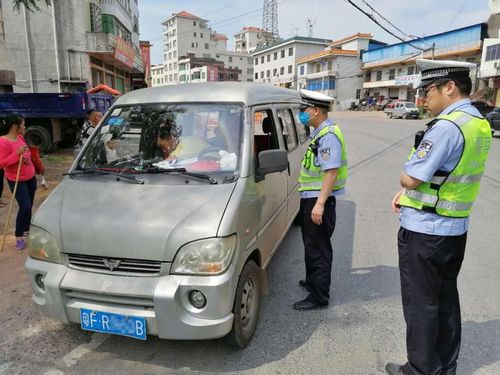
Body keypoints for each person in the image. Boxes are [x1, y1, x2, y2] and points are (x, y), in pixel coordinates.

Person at [387, 60, 492, 375]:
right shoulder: (478, 122)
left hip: (426, 231)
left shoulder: (447, 126)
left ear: (449, 87)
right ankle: (446, 366)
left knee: (421, 304)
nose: (423, 99)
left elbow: (412, 177)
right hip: (454, 229)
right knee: (446, 299)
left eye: (427, 90)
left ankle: (420, 369)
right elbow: (449, 175)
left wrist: (405, 183)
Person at [293, 89, 348, 311]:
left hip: (318, 200)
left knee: (319, 249)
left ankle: (319, 296)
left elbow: (331, 171)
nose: (301, 115)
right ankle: (312, 281)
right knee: (310, 244)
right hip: (311, 198)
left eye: (303, 111)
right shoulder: (320, 132)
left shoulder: (328, 135)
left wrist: (320, 204)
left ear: (316, 111)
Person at [0, 113, 37, 250]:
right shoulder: (3, 141)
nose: (24, 126)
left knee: (30, 204)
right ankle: (19, 235)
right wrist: (17, 154)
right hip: (16, 179)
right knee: (25, 206)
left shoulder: (21, 137)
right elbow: (1, 163)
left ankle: (26, 229)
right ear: (15, 126)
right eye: (23, 124)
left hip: (30, 177)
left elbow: (27, 153)